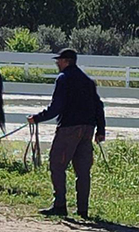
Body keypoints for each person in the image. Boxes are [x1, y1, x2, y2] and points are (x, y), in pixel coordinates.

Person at [27, 48, 106, 219]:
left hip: (69, 128)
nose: (57, 63)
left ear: (66, 61)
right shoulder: (87, 81)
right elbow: (99, 106)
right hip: (87, 130)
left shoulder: (63, 79)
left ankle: (60, 205)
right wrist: (101, 130)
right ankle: (82, 209)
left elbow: (57, 107)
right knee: (83, 171)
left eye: (59, 60)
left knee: (57, 164)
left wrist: (37, 118)